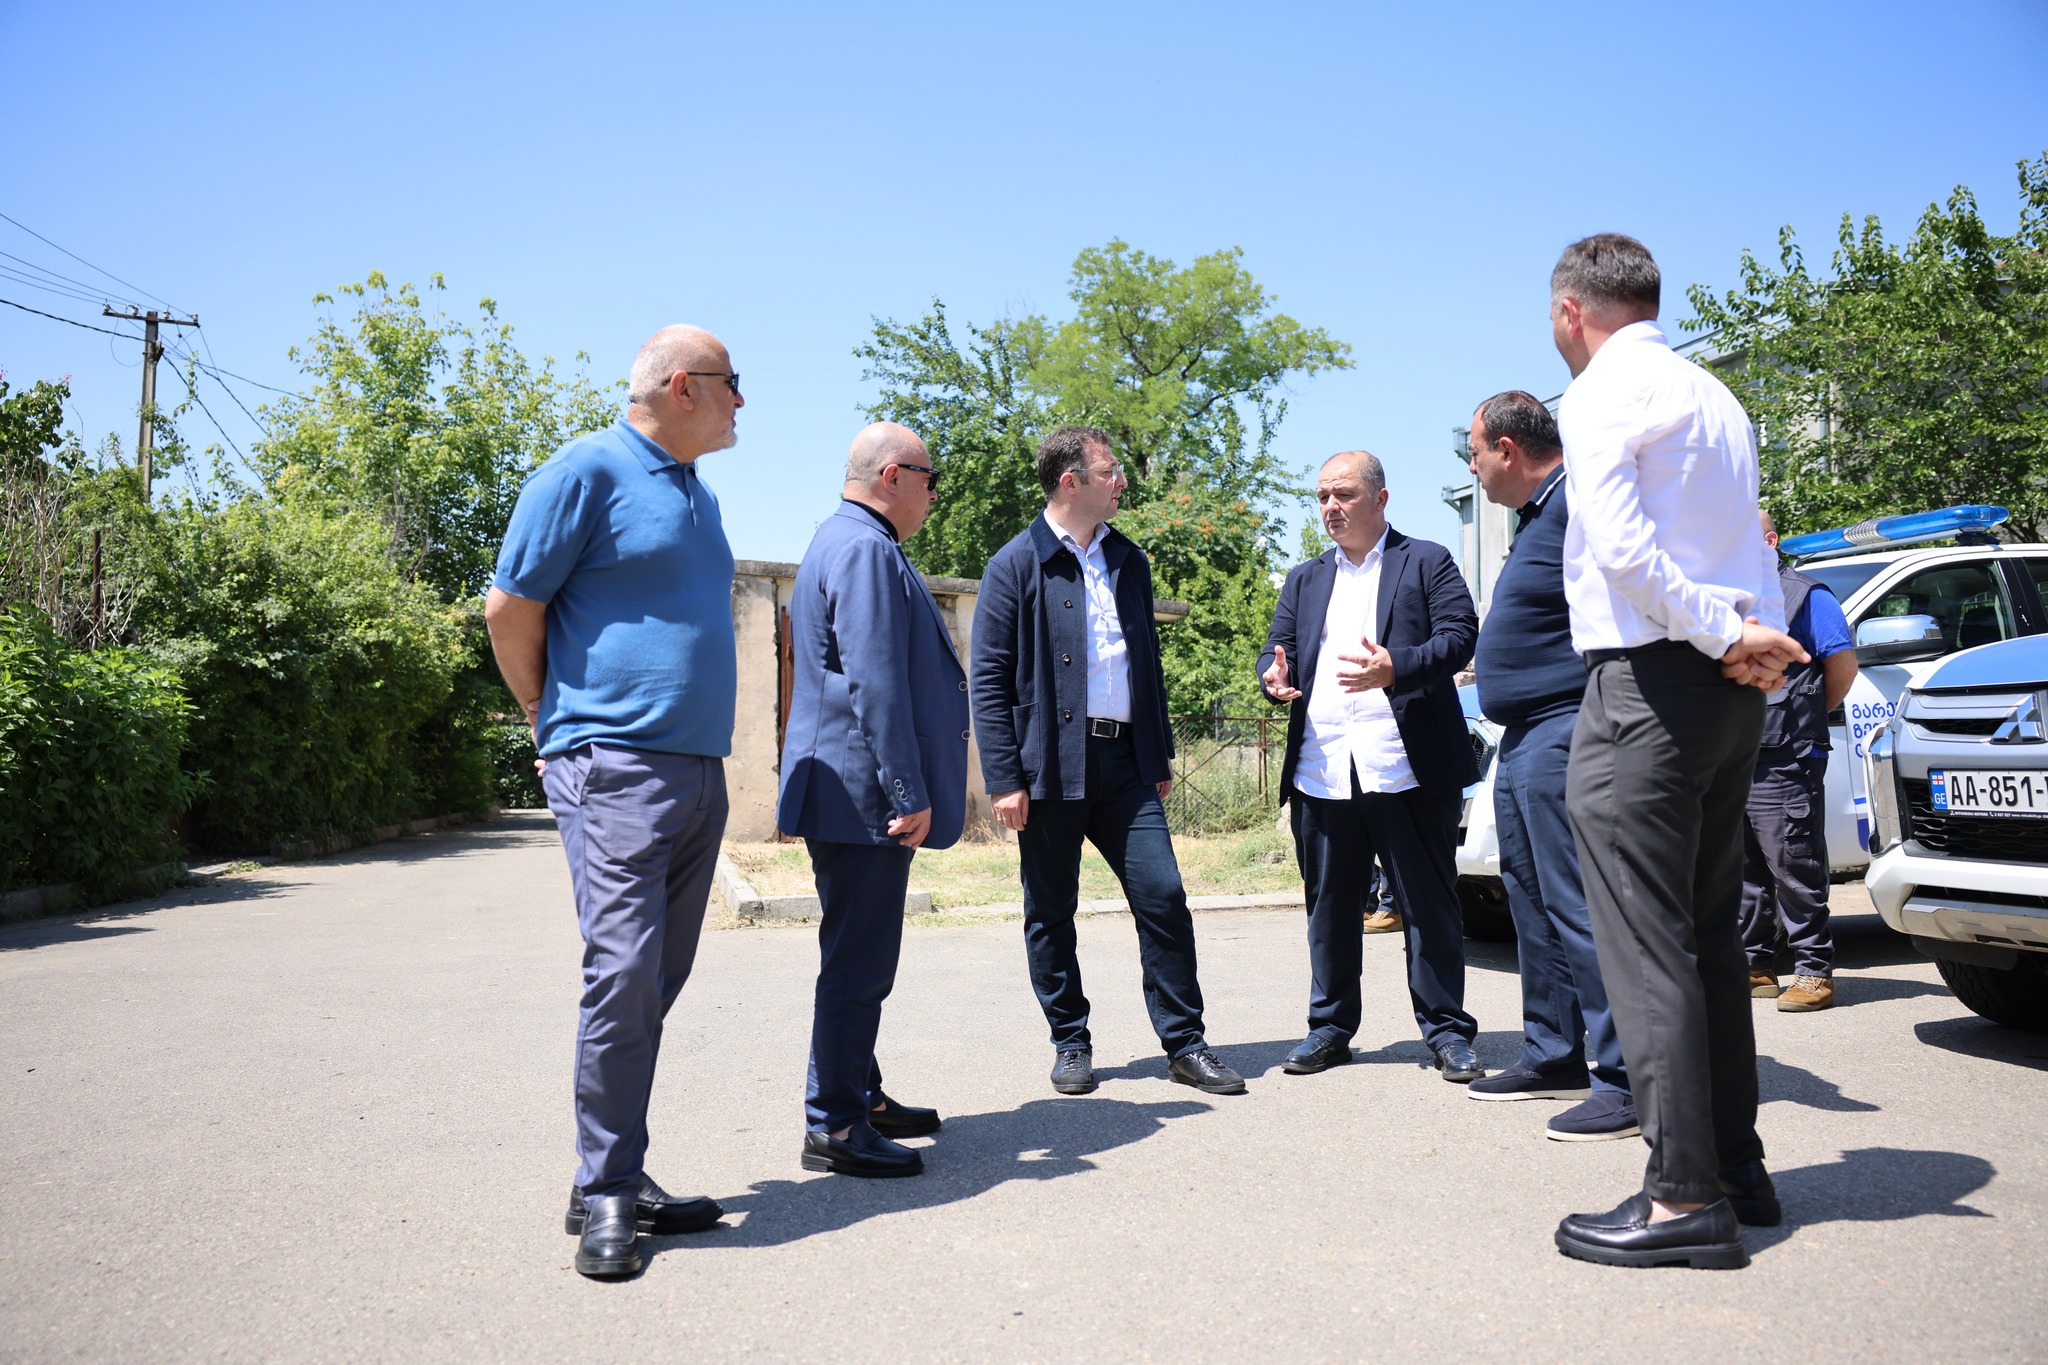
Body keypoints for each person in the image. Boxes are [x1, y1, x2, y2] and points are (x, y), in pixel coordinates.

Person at [1543, 235, 1809, 1271]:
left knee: (1646, 945)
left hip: (1650, 688)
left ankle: (1681, 1197)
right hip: (1723, 693)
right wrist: (1751, 640)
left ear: (1571, 313)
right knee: (1705, 941)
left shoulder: (1602, 389)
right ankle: (1734, 1170)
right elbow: (1753, 545)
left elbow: (1621, 547)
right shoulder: (1715, 396)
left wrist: (1721, 630)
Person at [486, 325, 744, 1279]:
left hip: (697, 770)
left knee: (656, 978)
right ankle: (607, 1191)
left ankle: (612, 1170)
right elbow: (510, 607)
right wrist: (545, 717)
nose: (741, 401)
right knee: (624, 974)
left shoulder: (695, 493)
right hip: (615, 766)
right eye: (731, 382)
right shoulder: (584, 471)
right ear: (682, 386)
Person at [971, 426, 1246, 1098]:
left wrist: (1158, 752)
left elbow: (1144, 663)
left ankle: (1185, 1043)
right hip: (1049, 768)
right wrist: (1004, 777)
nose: (1122, 480)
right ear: (1071, 482)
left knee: (1164, 897)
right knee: (1050, 910)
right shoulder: (1015, 563)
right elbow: (989, 678)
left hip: (1125, 763)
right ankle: (1071, 1041)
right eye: (1110, 471)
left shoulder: (1128, 559)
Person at [777, 422, 969, 1179]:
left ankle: (861, 1093)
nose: (933, 494)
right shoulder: (863, 548)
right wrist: (906, 789)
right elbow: (874, 679)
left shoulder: (846, 539)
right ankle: (834, 1122)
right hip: (863, 796)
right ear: (893, 475)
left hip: (848, 790)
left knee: (855, 952)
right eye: (929, 479)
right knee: (859, 964)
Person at [1258, 451, 1482, 1082]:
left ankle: (1447, 1031)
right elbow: (1279, 649)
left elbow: (1460, 634)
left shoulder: (1426, 560)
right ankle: (1330, 1028)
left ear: (1380, 499)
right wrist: (1272, 674)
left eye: (1345, 494)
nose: (1331, 506)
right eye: (1323, 496)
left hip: (1406, 767)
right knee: (1329, 909)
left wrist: (1396, 667)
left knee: (1428, 907)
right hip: (1323, 768)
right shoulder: (1305, 579)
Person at [1461, 392, 1635, 1141]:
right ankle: (1553, 1051)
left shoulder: (1579, 503)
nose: (1472, 468)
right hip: (1523, 736)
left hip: (1567, 725)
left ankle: (1625, 1078)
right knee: (1530, 900)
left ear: (1506, 448)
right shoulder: (1540, 516)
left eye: (1474, 453)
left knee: (1579, 905)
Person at [1742, 510, 1858, 1012]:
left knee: (1793, 863)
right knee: (1743, 869)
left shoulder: (1807, 595)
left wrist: (1806, 719)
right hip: (1734, 754)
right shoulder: (1729, 598)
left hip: (1787, 755)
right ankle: (1755, 966)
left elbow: (1842, 667)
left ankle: (1813, 971)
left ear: (1770, 541)